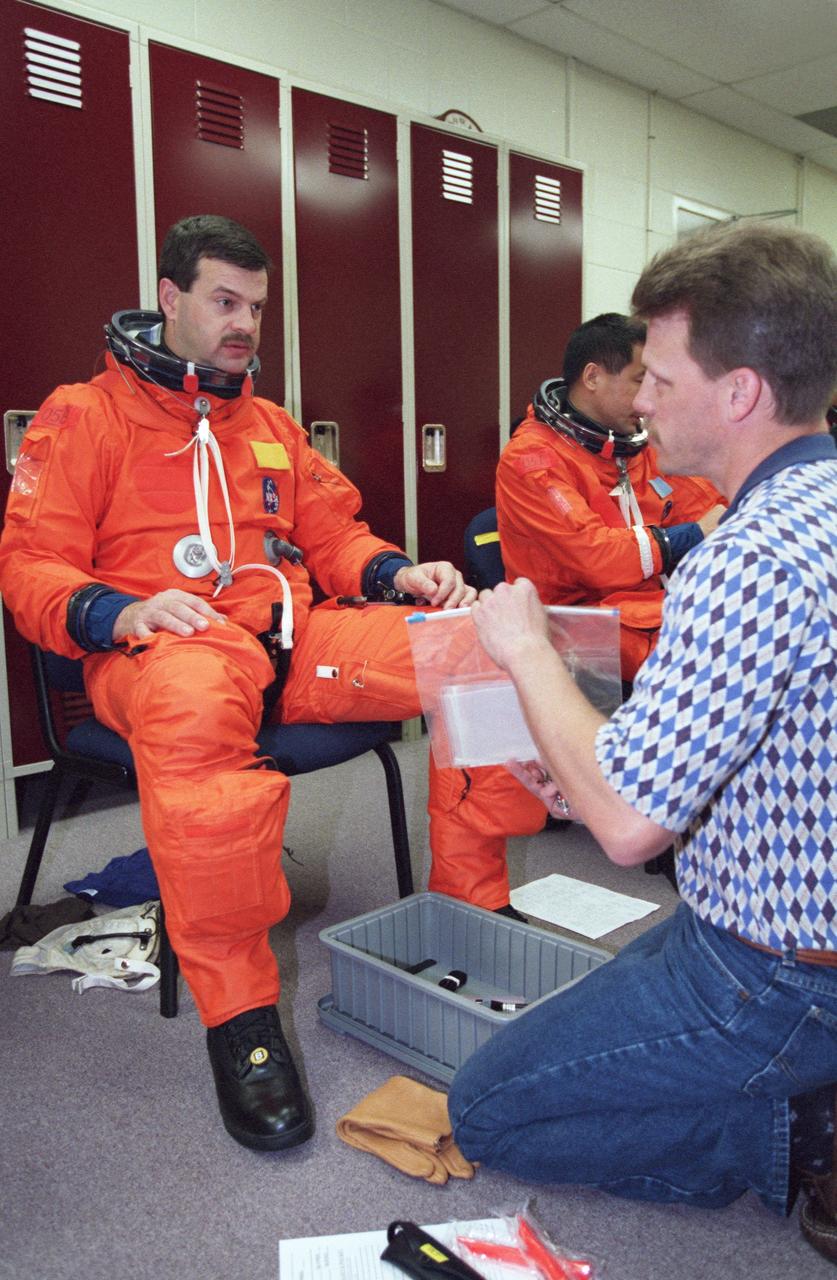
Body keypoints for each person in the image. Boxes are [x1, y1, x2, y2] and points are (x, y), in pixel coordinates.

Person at [0, 215, 548, 1153]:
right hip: (162, 658)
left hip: (291, 645)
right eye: (224, 301)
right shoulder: (82, 416)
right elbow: (29, 568)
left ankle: (471, 913)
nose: (245, 322)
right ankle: (243, 1020)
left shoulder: (267, 425)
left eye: (255, 305)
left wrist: (394, 575)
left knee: (475, 649)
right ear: (169, 299)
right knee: (193, 704)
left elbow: (336, 535)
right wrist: (116, 613)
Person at [448, 222, 837, 1263]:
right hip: (776, 904)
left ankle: (801, 1130)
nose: (644, 399)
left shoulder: (750, 554)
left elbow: (624, 823)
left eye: (661, 377)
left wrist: (525, 649)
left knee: (487, 1108)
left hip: (775, 967)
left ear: (742, 391)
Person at [496, 312, 725, 683]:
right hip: (572, 625)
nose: (650, 400)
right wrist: (694, 534)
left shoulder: (633, 446)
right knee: (716, 667)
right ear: (592, 378)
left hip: (645, 609)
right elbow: (596, 557)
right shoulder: (532, 460)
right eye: (640, 382)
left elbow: (710, 505)